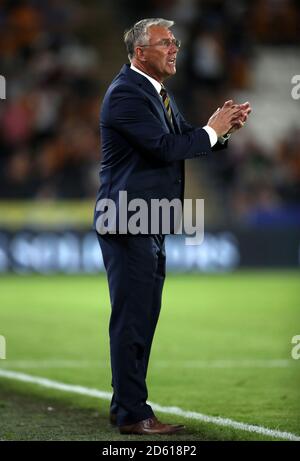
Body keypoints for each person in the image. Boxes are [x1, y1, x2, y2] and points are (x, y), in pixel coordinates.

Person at [94, 18, 251, 435]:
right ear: (140, 52)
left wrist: (221, 130)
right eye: (166, 42)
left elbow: (185, 135)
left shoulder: (156, 91)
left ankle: (123, 404)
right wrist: (211, 132)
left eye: (176, 42)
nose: (175, 48)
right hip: (128, 218)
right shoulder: (127, 93)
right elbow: (165, 148)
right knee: (133, 318)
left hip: (149, 219)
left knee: (142, 316)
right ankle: (132, 413)